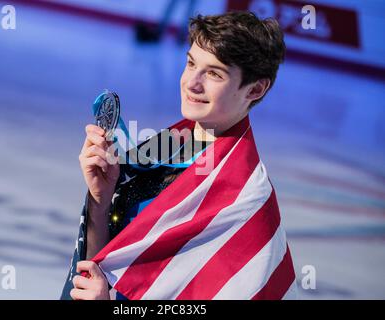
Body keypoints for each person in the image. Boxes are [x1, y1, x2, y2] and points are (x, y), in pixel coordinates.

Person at [61, 10, 297, 300]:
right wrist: (100, 201)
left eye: (213, 73)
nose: (192, 83)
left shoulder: (246, 201)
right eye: (190, 63)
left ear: (256, 88)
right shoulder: (161, 150)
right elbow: (103, 266)